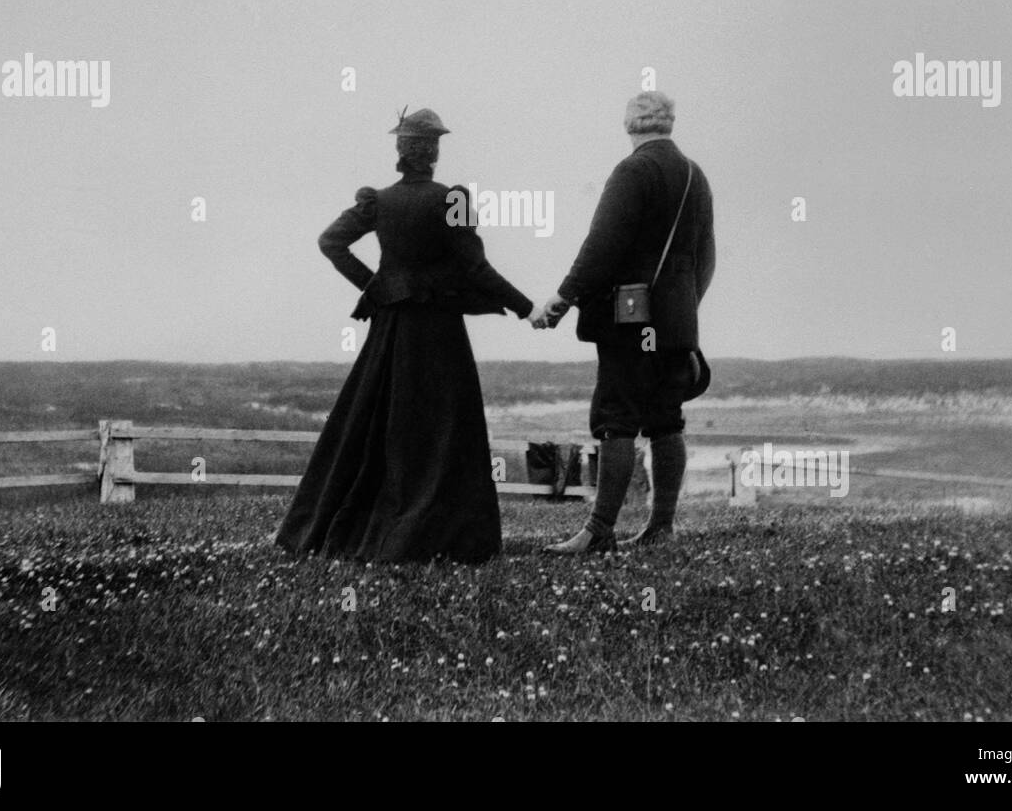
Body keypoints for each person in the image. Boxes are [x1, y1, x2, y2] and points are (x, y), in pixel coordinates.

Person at [274, 108, 537, 563]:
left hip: (391, 331)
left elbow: (330, 242)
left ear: (401, 151)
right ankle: (440, 535)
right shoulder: (451, 199)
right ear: (434, 150)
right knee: (441, 428)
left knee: (376, 426)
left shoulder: (378, 200)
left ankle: (352, 529)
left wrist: (377, 287)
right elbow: (475, 267)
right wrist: (527, 307)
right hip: (438, 334)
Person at [531, 92, 715, 553]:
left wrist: (564, 295)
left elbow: (602, 246)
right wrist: (684, 305)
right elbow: (706, 257)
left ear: (630, 125)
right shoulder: (696, 175)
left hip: (629, 320)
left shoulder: (632, 170)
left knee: (616, 419)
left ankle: (598, 532)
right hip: (675, 323)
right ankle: (662, 528)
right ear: (669, 124)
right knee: (666, 421)